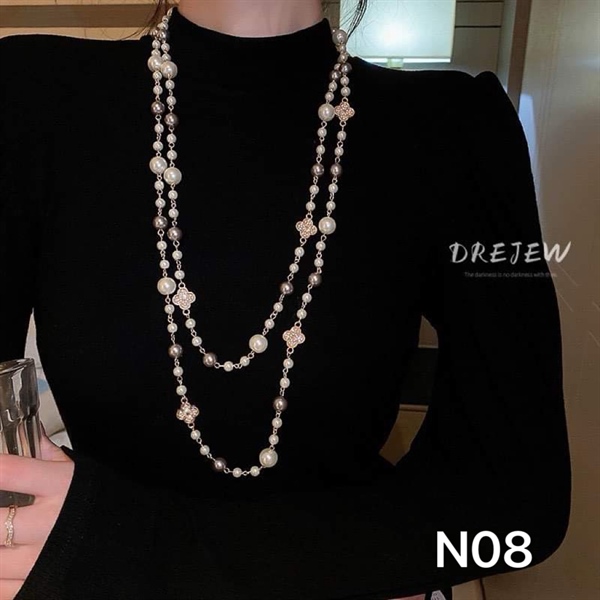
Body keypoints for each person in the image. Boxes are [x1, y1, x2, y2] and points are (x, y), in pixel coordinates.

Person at [0, 1, 571, 599]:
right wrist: (374, 555)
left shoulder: (456, 127)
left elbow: (518, 518)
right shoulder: (32, 96)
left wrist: (124, 548)